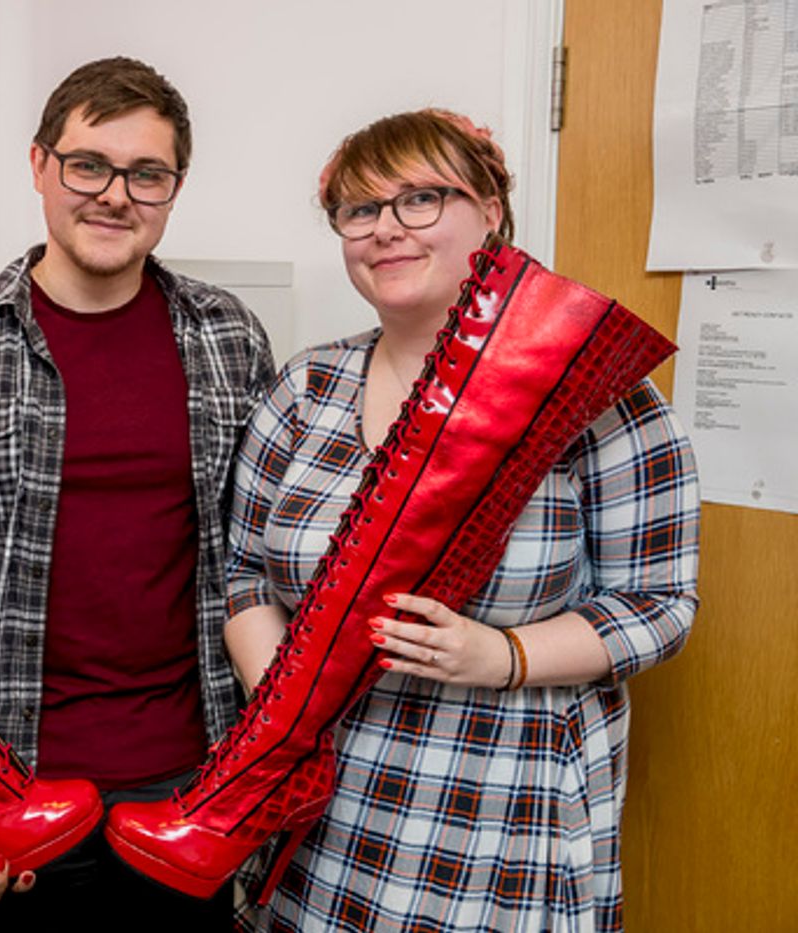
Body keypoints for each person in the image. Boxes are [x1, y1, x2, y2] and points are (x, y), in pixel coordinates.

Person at [223, 108, 700, 932]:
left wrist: (502, 654)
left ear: (489, 210)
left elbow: (661, 606)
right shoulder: (307, 388)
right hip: (324, 807)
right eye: (360, 209)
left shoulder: (594, 396)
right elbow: (242, 575)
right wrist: (287, 711)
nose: (386, 230)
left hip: (500, 814)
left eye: (420, 199)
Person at [0, 56, 276, 930]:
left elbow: (260, 559)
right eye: (88, 164)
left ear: (174, 188)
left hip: (189, 790)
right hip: (10, 786)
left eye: (146, 174)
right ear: (40, 165)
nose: (114, 194)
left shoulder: (228, 335)